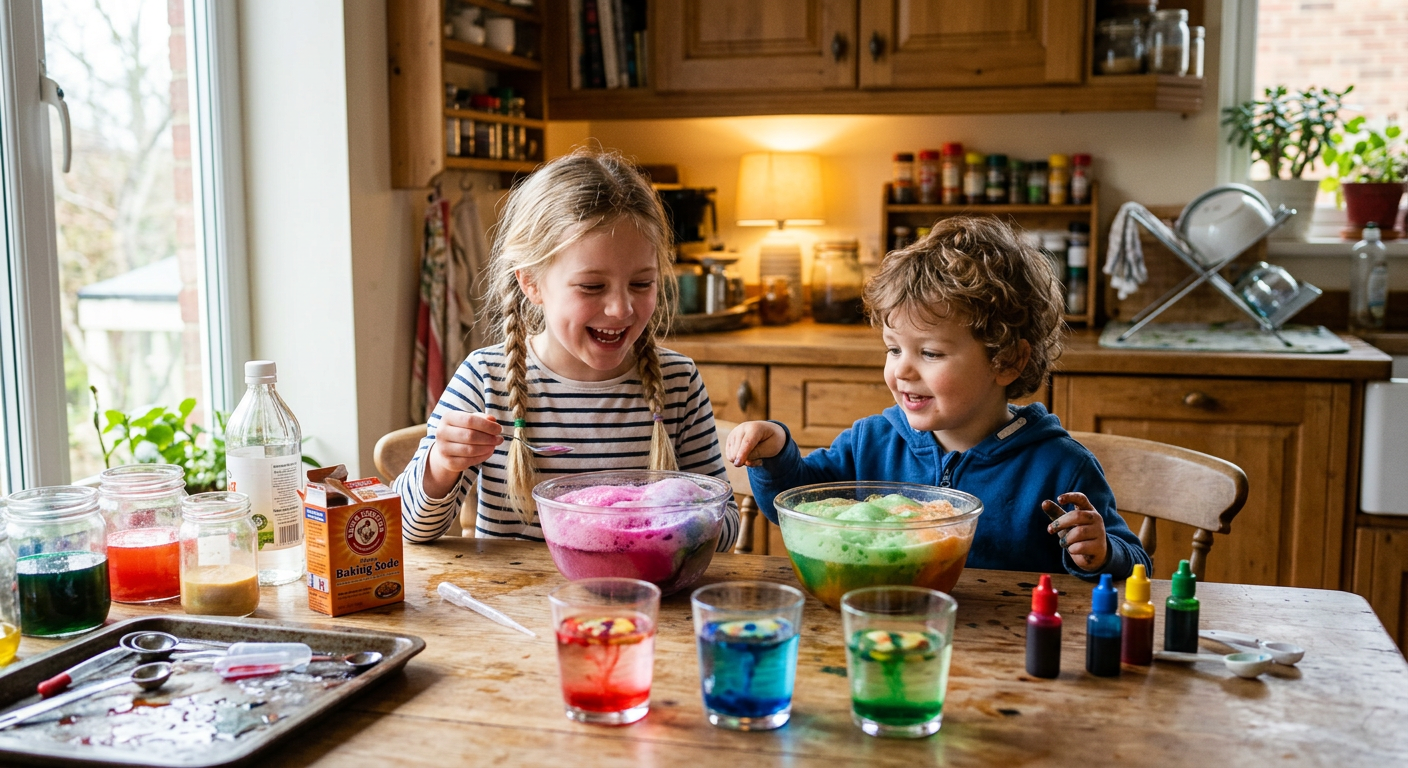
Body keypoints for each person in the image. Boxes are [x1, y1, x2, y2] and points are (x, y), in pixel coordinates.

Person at [726, 217, 1148, 580]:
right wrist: (776, 454)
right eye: (894, 349)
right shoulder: (870, 442)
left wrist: (1102, 553)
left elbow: (1138, 567)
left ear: (1007, 360)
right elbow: (797, 505)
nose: (902, 370)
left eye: (930, 353)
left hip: (1005, 652)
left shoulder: (1060, 469)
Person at [395, 149, 738, 549]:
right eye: (592, 286)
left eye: (642, 283)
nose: (621, 308)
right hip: (516, 605)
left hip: (643, 603)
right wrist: (441, 464)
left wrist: (675, 516)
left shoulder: (677, 383)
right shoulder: (486, 380)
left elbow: (726, 526)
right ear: (531, 283)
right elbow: (407, 528)